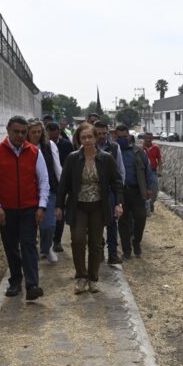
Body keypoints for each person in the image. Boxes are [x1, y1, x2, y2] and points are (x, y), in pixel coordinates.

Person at [0, 115, 50, 301]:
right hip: (6, 209)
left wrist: (42, 206)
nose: (20, 135)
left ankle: (32, 284)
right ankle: (15, 280)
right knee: (11, 246)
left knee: (28, 244)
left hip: (29, 208)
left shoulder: (35, 152)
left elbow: (44, 181)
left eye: (23, 132)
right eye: (16, 132)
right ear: (8, 130)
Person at [56, 123, 123, 294]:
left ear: (96, 138)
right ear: (79, 139)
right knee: (77, 240)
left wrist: (118, 203)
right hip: (78, 206)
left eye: (89, 137)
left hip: (98, 207)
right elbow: (63, 184)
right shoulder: (72, 158)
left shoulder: (106, 158)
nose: (86, 140)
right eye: (83, 137)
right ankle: (80, 277)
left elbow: (117, 181)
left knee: (96, 243)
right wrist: (59, 206)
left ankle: (93, 278)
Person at [27, 119, 62, 263]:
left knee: (49, 225)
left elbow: (57, 167)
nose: (36, 135)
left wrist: (62, 189)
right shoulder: (22, 147)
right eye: (33, 132)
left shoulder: (49, 146)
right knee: (29, 226)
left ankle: (47, 247)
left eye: (38, 132)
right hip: (28, 191)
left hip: (49, 190)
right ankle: (30, 251)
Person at [116, 124, 153, 258]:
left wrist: (149, 187)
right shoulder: (114, 151)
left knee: (141, 217)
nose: (122, 139)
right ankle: (126, 250)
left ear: (129, 136)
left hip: (137, 191)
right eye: (119, 137)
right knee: (123, 221)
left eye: (124, 137)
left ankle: (136, 241)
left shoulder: (138, 151)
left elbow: (147, 170)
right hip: (121, 193)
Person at [93, 121, 125, 265]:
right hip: (94, 192)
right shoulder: (89, 147)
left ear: (107, 133)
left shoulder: (114, 147)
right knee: (95, 224)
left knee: (112, 224)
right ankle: (98, 252)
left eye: (103, 133)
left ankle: (113, 254)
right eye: (98, 133)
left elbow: (120, 170)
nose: (101, 136)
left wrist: (119, 194)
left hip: (111, 192)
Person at [47, 122, 74, 253]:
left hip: (63, 182)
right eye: (49, 136)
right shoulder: (44, 145)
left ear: (58, 132)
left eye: (54, 135)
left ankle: (57, 240)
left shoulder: (66, 145)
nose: (52, 138)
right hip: (48, 183)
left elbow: (70, 163)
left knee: (60, 212)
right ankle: (46, 240)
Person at [142, 131, 163, 212]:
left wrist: (160, 170)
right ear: (144, 138)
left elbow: (159, 160)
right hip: (143, 173)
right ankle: (145, 206)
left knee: (154, 190)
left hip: (152, 172)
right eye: (147, 138)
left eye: (150, 138)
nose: (148, 140)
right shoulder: (140, 148)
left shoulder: (156, 148)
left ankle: (151, 203)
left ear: (152, 138)